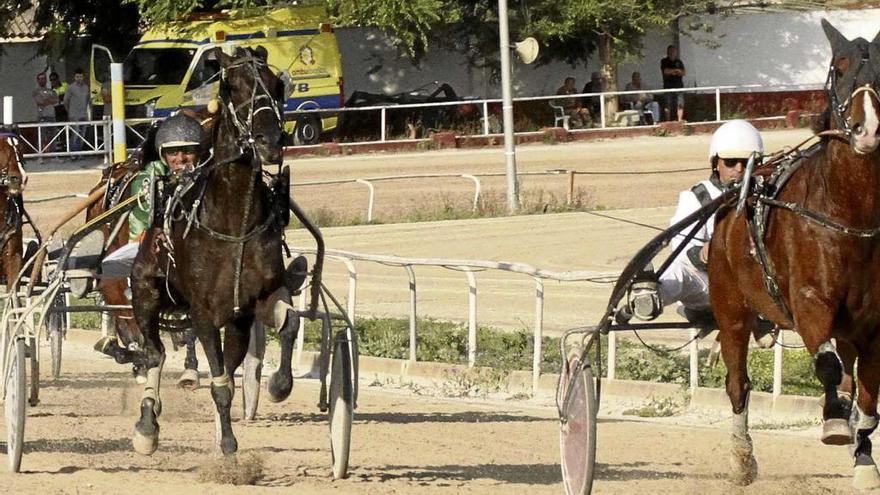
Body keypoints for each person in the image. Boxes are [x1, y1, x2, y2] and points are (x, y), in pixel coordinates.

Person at [625, 120, 763, 330]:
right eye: (731, 162)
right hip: (709, 286)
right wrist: (705, 254)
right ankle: (649, 296)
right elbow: (683, 252)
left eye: (748, 163)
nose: (739, 169)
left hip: (754, 287)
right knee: (677, 271)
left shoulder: (767, 197)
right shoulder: (697, 198)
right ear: (716, 162)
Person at [100, 113, 206, 278]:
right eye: (172, 152)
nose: (181, 158)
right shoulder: (148, 180)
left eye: (189, 151)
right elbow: (141, 229)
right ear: (163, 155)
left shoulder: (206, 177)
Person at [64, 69, 90, 157]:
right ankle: (73, 154)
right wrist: (69, 112)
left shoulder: (86, 87)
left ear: (83, 77)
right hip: (74, 115)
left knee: (82, 135)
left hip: (83, 114)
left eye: (81, 77)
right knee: (75, 134)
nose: (79, 78)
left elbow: (88, 101)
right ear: (74, 77)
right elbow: (66, 101)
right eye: (77, 77)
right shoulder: (71, 87)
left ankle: (80, 153)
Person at [32, 72, 58, 154]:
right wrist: (49, 99)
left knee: (53, 137)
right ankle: (40, 155)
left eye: (44, 79)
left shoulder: (50, 90)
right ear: (37, 80)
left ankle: (53, 155)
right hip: (42, 116)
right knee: (41, 136)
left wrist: (47, 99)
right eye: (40, 79)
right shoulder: (36, 91)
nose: (42, 80)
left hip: (52, 115)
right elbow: (40, 102)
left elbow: (56, 100)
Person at [660, 45, 686, 122]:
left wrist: (675, 71)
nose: (672, 53)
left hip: (679, 86)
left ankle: (680, 120)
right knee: (668, 104)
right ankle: (668, 121)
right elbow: (665, 71)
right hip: (668, 86)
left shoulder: (679, 62)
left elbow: (683, 72)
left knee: (680, 103)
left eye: (674, 51)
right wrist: (676, 71)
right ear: (668, 52)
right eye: (671, 51)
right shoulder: (664, 61)